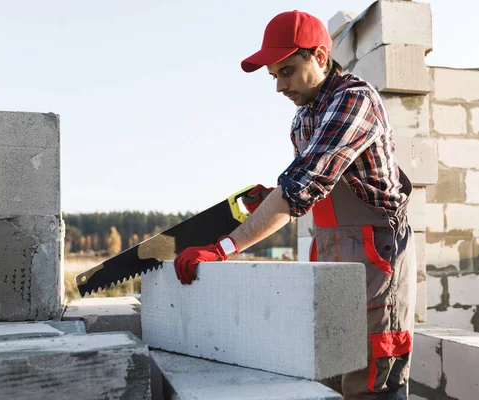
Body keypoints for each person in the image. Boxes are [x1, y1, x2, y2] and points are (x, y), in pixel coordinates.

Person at [173, 10, 417, 400]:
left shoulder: (354, 100)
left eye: (286, 72)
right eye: (274, 76)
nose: (278, 86)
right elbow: (309, 186)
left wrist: (224, 247)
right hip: (333, 251)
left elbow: (302, 187)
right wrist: (268, 197)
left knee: (372, 375)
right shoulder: (304, 118)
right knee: (333, 369)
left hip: (377, 252)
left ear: (320, 57)